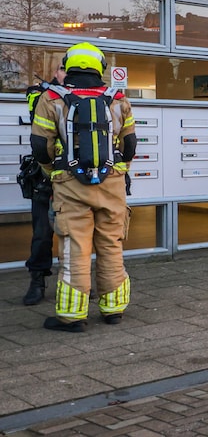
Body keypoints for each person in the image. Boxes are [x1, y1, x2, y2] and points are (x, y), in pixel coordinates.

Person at [31, 42, 137, 332]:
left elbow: (41, 147)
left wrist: (54, 172)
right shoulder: (118, 98)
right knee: (111, 243)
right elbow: (129, 145)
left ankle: (72, 316)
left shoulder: (51, 98)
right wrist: (119, 172)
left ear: (69, 65)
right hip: (112, 182)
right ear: (100, 66)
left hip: (69, 182)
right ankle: (113, 309)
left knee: (74, 246)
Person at [20, 67, 66, 305]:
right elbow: (37, 117)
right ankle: (37, 281)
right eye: (62, 69)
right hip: (45, 174)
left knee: (78, 233)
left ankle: (76, 282)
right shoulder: (39, 93)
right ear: (54, 72)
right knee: (41, 233)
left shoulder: (87, 96)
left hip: (73, 175)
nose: (66, 73)